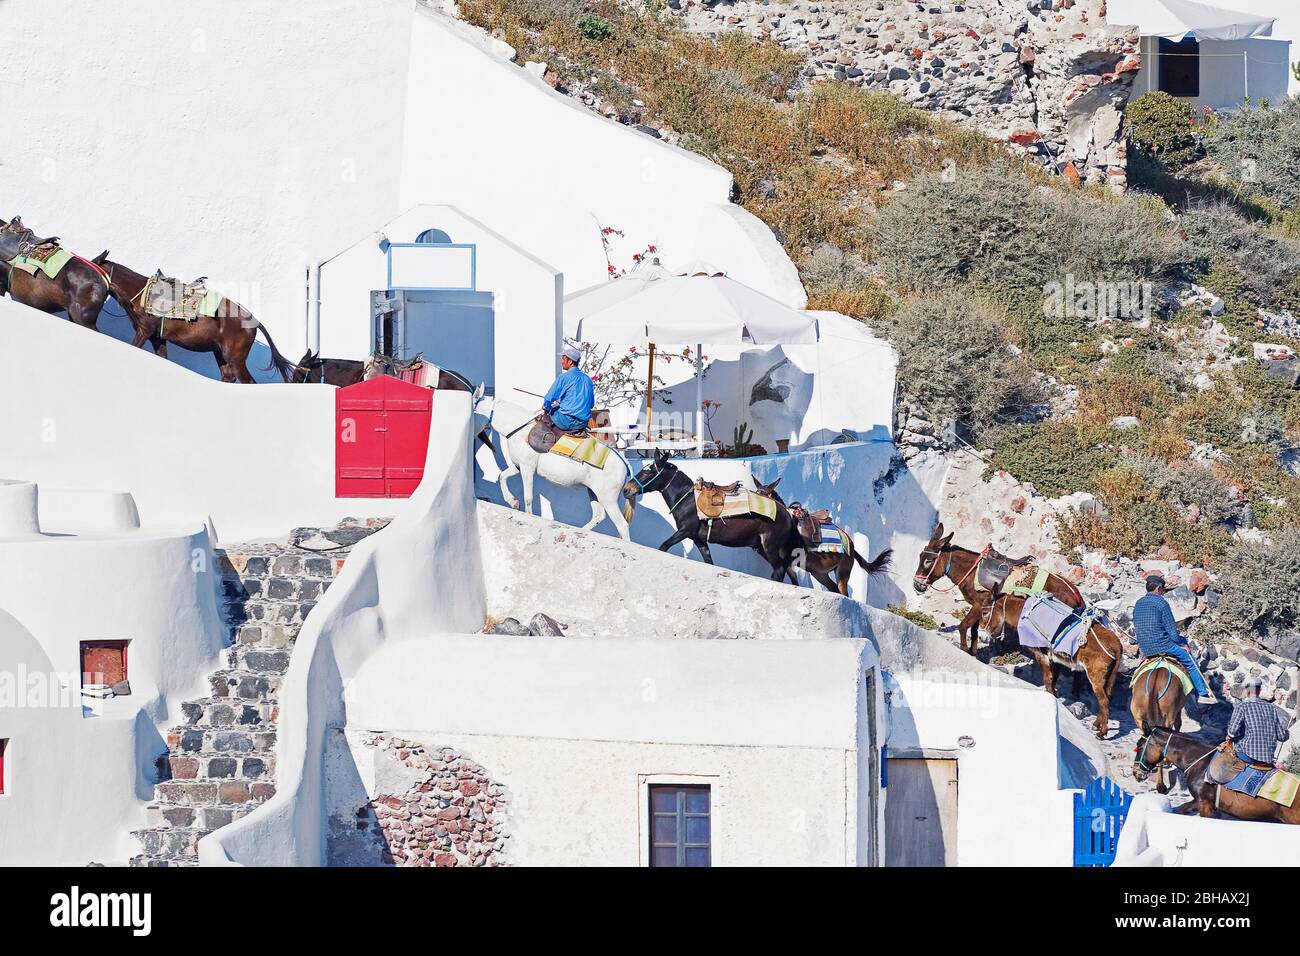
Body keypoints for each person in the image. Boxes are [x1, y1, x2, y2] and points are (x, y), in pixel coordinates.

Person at [1132, 573, 1216, 705]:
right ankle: (1202, 693)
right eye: (1163, 590)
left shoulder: (1138, 603)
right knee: (1190, 661)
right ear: (1158, 589)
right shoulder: (1161, 603)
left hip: (1145, 647)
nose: (1163, 593)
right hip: (1163, 645)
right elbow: (1172, 631)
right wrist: (1181, 644)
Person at [1210, 676, 1293, 783]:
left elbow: (1233, 732)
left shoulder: (1242, 706)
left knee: (1220, 753)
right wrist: (1287, 733)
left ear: (1246, 690)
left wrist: (1229, 735)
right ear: (1259, 690)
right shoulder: (1271, 708)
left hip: (1248, 755)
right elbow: (1282, 737)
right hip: (1267, 758)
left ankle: (1216, 785)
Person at [541, 345, 595, 435]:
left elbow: (549, 399)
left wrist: (547, 407)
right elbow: (591, 404)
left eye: (563, 359)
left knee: (547, 414)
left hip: (566, 422)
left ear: (570, 361)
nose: (561, 362)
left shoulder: (563, 377)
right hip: (582, 423)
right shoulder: (588, 379)